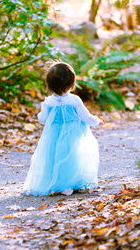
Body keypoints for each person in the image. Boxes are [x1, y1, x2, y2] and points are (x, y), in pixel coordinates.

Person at [23, 61, 101, 196]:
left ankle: (55, 183)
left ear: (50, 85)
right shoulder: (74, 100)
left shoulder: (48, 102)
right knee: (71, 157)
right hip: (72, 136)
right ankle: (67, 183)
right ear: (71, 83)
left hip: (53, 135)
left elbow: (42, 119)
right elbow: (86, 117)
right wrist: (97, 120)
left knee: (53, 158)